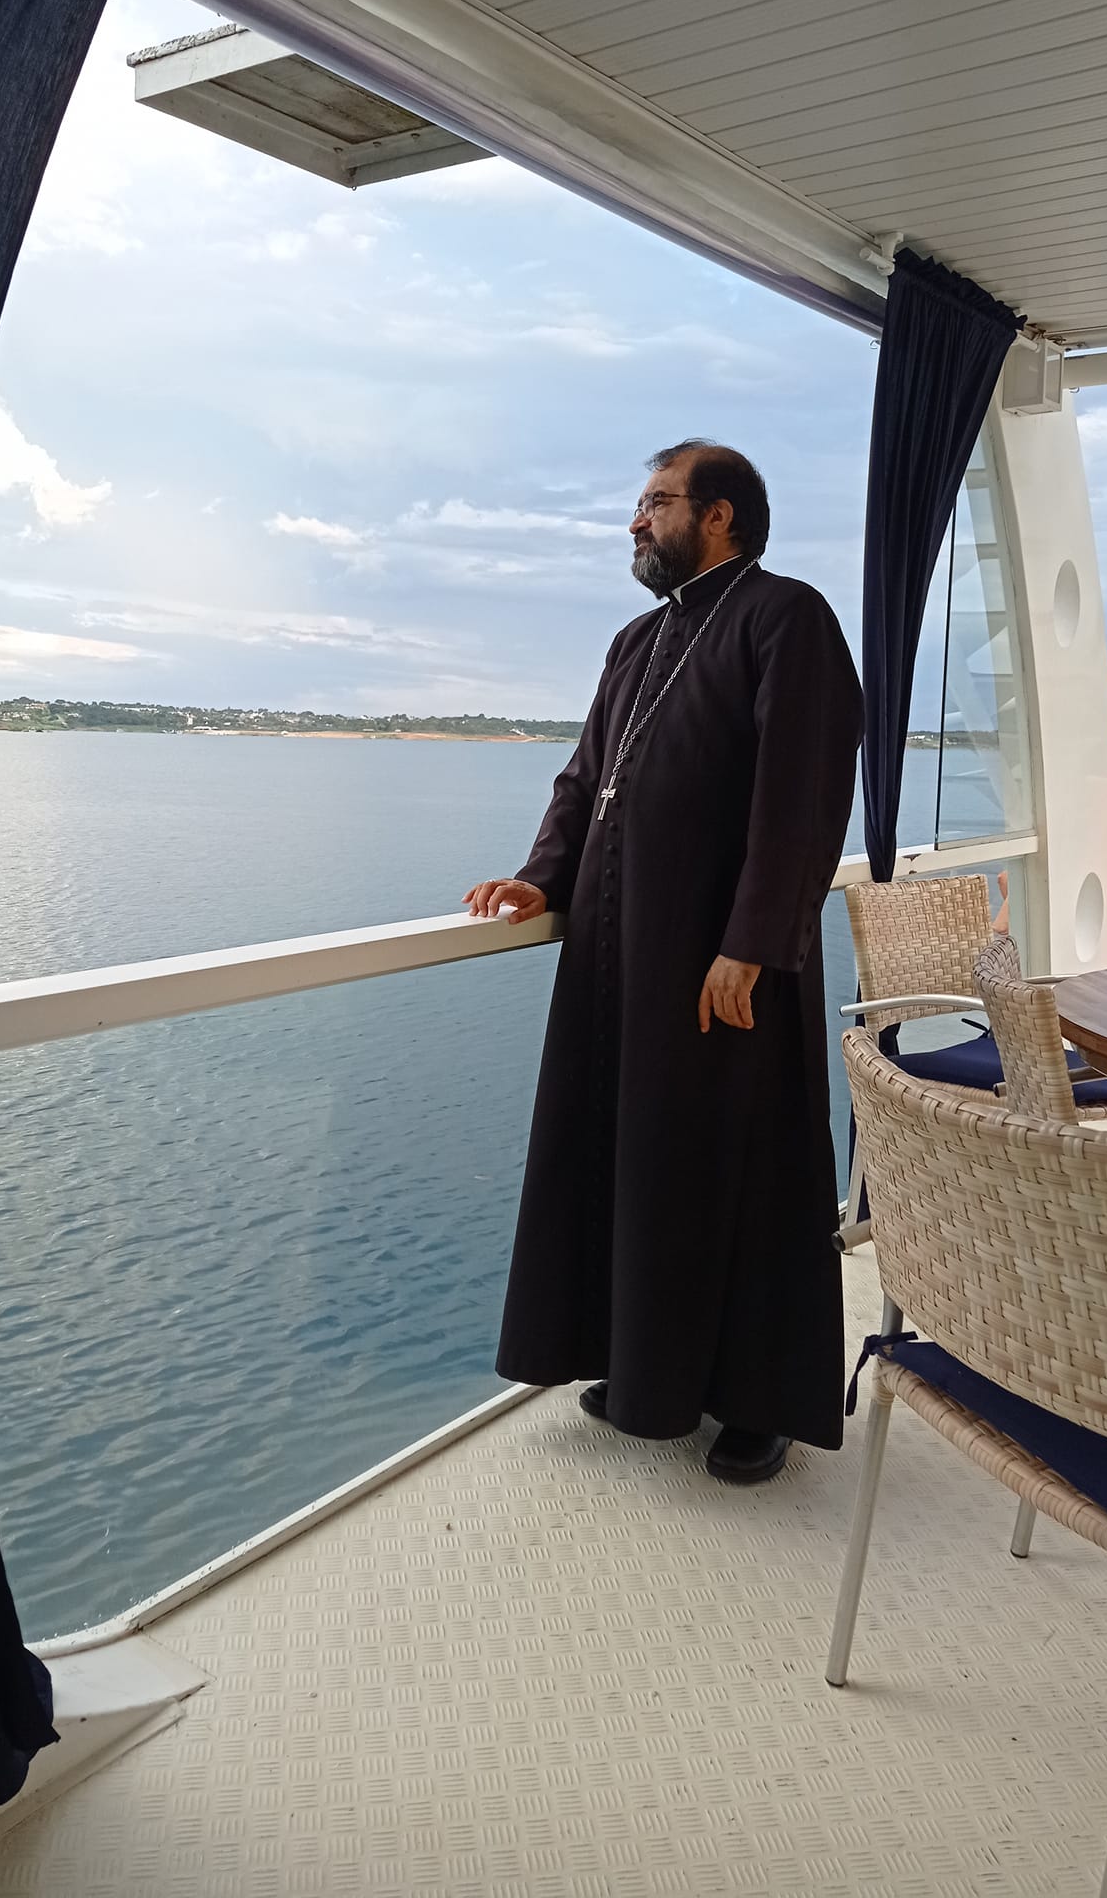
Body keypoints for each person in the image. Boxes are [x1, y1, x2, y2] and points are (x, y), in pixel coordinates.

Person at [464, 440, 862, 1483]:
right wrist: (540, 878)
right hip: (621, 951)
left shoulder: (786, 618)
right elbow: (583, 778)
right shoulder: (637, 639)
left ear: (718, 515)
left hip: (722, 964)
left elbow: (803, 796)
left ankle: (759, 1402)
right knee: (638, 1159)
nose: (636, 521)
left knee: (742, 1169)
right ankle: (647, 1372)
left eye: (656, 501)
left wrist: (749, 944)